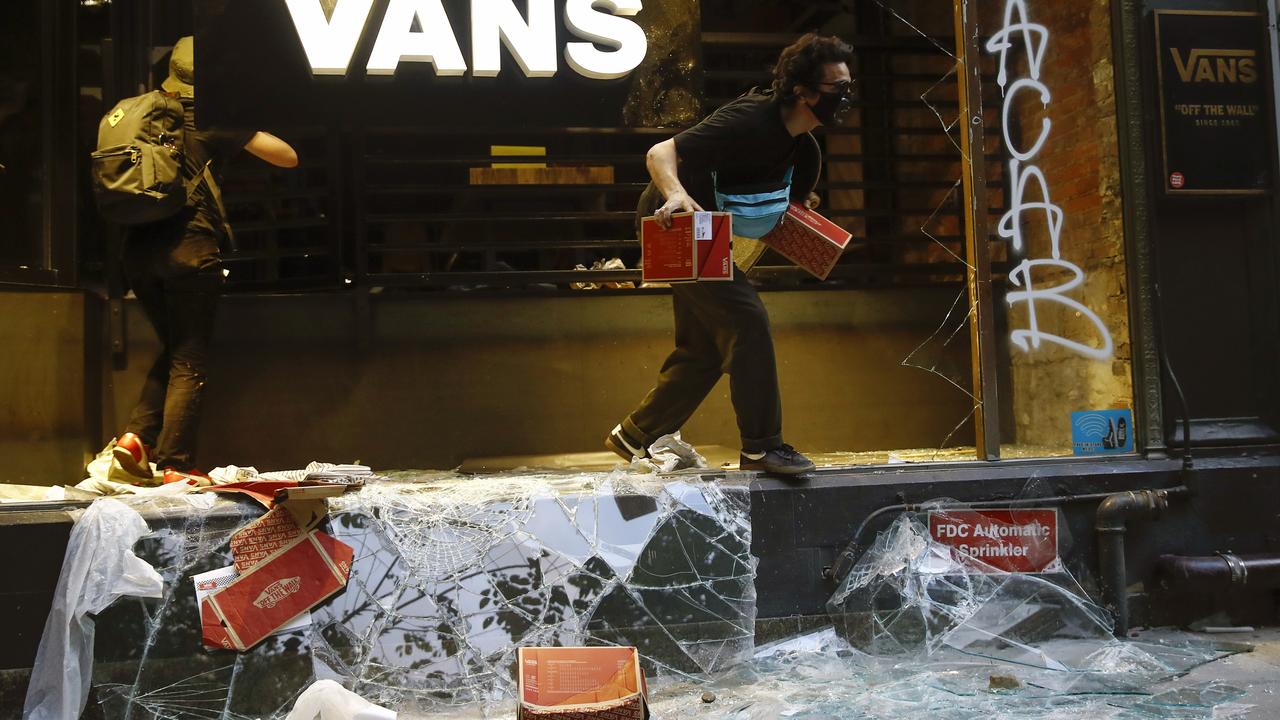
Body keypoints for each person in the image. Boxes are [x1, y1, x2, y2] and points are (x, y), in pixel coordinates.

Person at [606, 33, 854, 476]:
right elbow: (661, 152)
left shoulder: (805, 150)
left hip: (714, 233)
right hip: (677, 224)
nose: (846, 96)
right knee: (746, 320)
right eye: (838, 88)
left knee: (704, 348)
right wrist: (678, 194)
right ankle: (762, 449)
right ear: (804, 91)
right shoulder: (750, 119)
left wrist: (806, 225)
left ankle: (636, 434)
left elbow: (775, 210)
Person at [105, 36, 298, 483]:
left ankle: (135, 440)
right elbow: (288, 157)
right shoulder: (211, 117)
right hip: (188, 248)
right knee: (190, 357)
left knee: (175, 346)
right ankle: (175, 464)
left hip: (136, 249)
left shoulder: (138, 114)